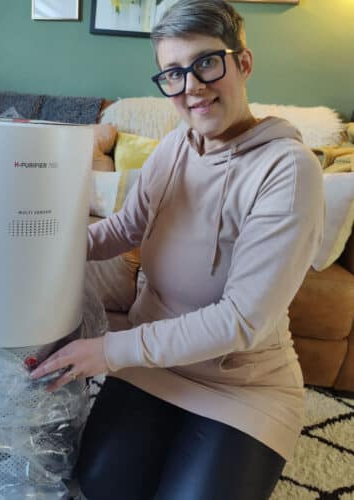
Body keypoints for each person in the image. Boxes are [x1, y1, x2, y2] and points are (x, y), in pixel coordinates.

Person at [30, 1, 324, 498]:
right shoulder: (173, 148)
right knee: (104, 485)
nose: (191, 87)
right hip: (155, 366)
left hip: (243, 385)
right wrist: (46, 246)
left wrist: (108, 351)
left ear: (243, 63)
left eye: (206, 63)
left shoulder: (288, 170)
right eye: (173, 73)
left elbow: (241, 321)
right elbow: (126, 228)